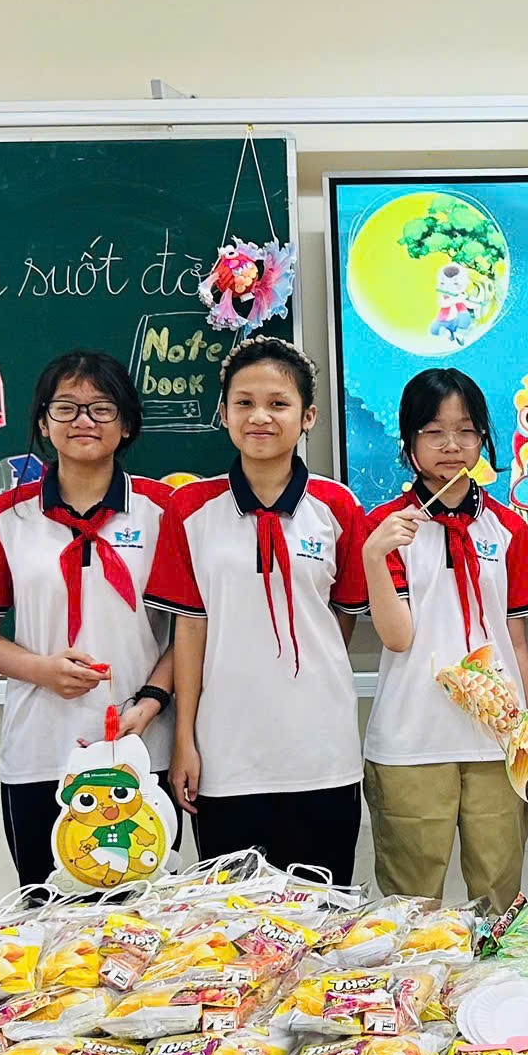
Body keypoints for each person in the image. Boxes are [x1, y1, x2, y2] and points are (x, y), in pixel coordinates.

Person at [146, 339, 371, 883]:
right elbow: (190, 631)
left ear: (308, 416)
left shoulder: (337, 506)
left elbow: (342, 616)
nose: (260, 417)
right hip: (227, 753)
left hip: (323, 751)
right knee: (231, 917)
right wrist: (184, 741)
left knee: (324, 910)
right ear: (223, 413)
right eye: (244, 403)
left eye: (278, 403)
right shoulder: (190, 507)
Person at [0, 350, 179, 887]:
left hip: (140, 746)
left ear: (127, 424)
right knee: (46, 911)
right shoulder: (6, 516)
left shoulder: (164, 510)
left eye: (102, 408)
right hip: (40, 748)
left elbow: (191, 632)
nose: (83, 421)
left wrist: (151, 702)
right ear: (42, 422)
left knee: (144, 918)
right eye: (66, 408)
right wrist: (43, 670)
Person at [360, 367, 528, 911]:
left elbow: (516, 642)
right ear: (409, 441)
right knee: (411, 908)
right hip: (411, 740)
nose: (451, 446)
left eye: (466, 431)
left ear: (483, 439)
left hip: (497, 743)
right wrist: (374, 555)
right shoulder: (386, 527)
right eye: (434, 432)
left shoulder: (507, 528)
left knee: (499, 901)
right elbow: (397, 638)